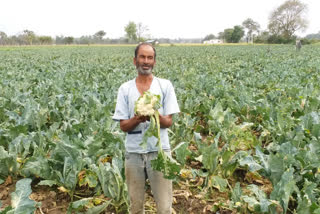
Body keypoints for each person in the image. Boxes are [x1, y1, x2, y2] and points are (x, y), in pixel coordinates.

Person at [112, 43, 180, 214]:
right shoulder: (125, 89)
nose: (146, 61)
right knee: (135, 207)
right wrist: (137, 118)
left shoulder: (165, 86)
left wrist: (154, 114)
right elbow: (123, 126)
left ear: (154, 62)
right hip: (133, 153)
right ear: (134, 60)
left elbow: (168, 122)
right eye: (142, 57)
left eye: (150, 57)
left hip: (160, 152)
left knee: (164, 207)